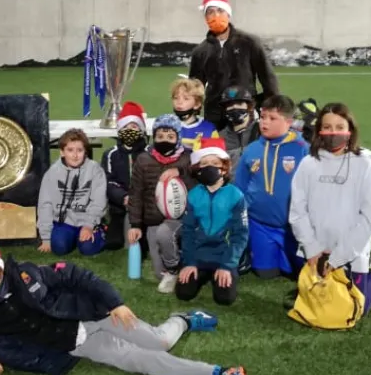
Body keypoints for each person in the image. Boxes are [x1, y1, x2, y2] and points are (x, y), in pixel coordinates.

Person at [0, 235, 248, 375]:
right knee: (143, 361)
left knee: (160, 341)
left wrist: (115, 303)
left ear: (0, 268)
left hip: (94, 314)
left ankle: (185, 319)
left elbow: (76, 275)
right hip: (79, 344)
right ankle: (220, 374)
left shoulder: (26, 274)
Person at [288, 103, 371, 314]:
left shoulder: (364, 164)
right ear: (319, 131)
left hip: (351, 252)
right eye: (327, 127)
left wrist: (337, 258)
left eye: (339, 127)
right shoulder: (308, 164)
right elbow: (297, 211)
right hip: (314, 252)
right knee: (318, 307)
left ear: (350, 130)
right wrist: (312, 249)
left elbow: (369, 216)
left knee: (357, 310)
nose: (333, 133)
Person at [235, 94, 309, 280]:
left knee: (299, 273)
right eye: (263, 117)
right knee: (265, 273)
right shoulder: (252, 149)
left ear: (288, 122)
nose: (264, 122)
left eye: (272, 118)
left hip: (293, 227)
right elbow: (240, 187)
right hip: (259, 224)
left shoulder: (302, 149)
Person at [188, 0, 279, 130]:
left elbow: (268, 79)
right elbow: (194, 89)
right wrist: (192, 116)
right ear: (205, 17)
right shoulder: (200, 52)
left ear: (228, 13)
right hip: (215, 117)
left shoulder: (249, 42)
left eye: (220, 10)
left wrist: (268, 107)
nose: (216, 15)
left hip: (245, 112)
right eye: (210, 12)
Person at [175, 138, 248, 306]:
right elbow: (188, 231)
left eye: (215, 163)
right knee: (184, 293)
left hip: (223, 255)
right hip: (198, 255)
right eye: (204, 163)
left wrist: (227, 266)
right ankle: (201, 271)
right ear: (198, 168)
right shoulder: (193, 195)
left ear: (224, 168)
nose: (209, 167)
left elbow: (240, 235)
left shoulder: (236, 195)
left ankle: (229, 269)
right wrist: (190, 262)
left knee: (225, 298)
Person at [127, 114, 194, 294]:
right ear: (153, 137)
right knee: (159, 272)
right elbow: (136, 193)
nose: (165, 140)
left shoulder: (188, 158)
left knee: (169, 236)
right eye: (160, 136)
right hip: (154, 219)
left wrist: (180, 172)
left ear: (178, 138)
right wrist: (135, 224)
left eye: (170, 137)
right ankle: (175, 263)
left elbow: (198, 183)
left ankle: (180, 263)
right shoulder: (143, 160)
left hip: (181, 218)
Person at [37, 128, 108, 256]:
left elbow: (99, 202)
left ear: (85, 152)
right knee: (59, 246)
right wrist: (46, 237)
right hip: (65, 222)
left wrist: (89, 226)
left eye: (79, 150)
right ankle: (70, 237)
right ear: (62, 152)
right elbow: (45, 204)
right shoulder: (52, 173)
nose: (75, 155)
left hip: (87, 220)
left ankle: (101, 230)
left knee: (88, 248)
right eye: (70, 150)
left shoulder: (95, 170)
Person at [101, 101, 148, 251]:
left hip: (144, 207)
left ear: (141, 130)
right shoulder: (110, 154)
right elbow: (108, 182)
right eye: (125, 127)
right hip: (119, 207)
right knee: (113, 242)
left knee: (140, 243)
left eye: (134, 126)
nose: (129, 130)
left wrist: (139, 199)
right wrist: (123, 197)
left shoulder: (149, 153)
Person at [219, 86, 259, 177]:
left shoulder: (262, 131)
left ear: (249, 106)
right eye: (229, 105)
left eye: (239, 103)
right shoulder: (220, 137)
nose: (234, 107)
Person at [170, 78, 218, 152]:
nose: (179, 102)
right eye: (176, 98)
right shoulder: (166, 125)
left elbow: (216, 154)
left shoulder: (209, 129)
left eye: (186, 98)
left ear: (197, 104)